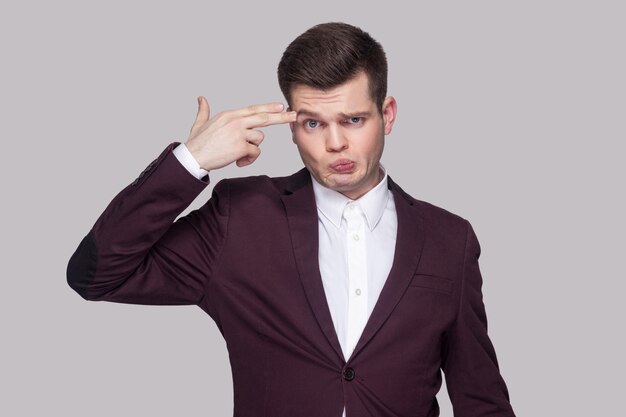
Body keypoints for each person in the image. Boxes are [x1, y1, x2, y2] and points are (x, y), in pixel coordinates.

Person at [67, 22, 516, 417]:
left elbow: (481, 399)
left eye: (354, 119)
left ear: (388, 114)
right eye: (313, 124)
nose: (336, 143)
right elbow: (97, 275)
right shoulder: (240, 218)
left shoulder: (448, 238)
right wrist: (191, 162)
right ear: (291, 125)